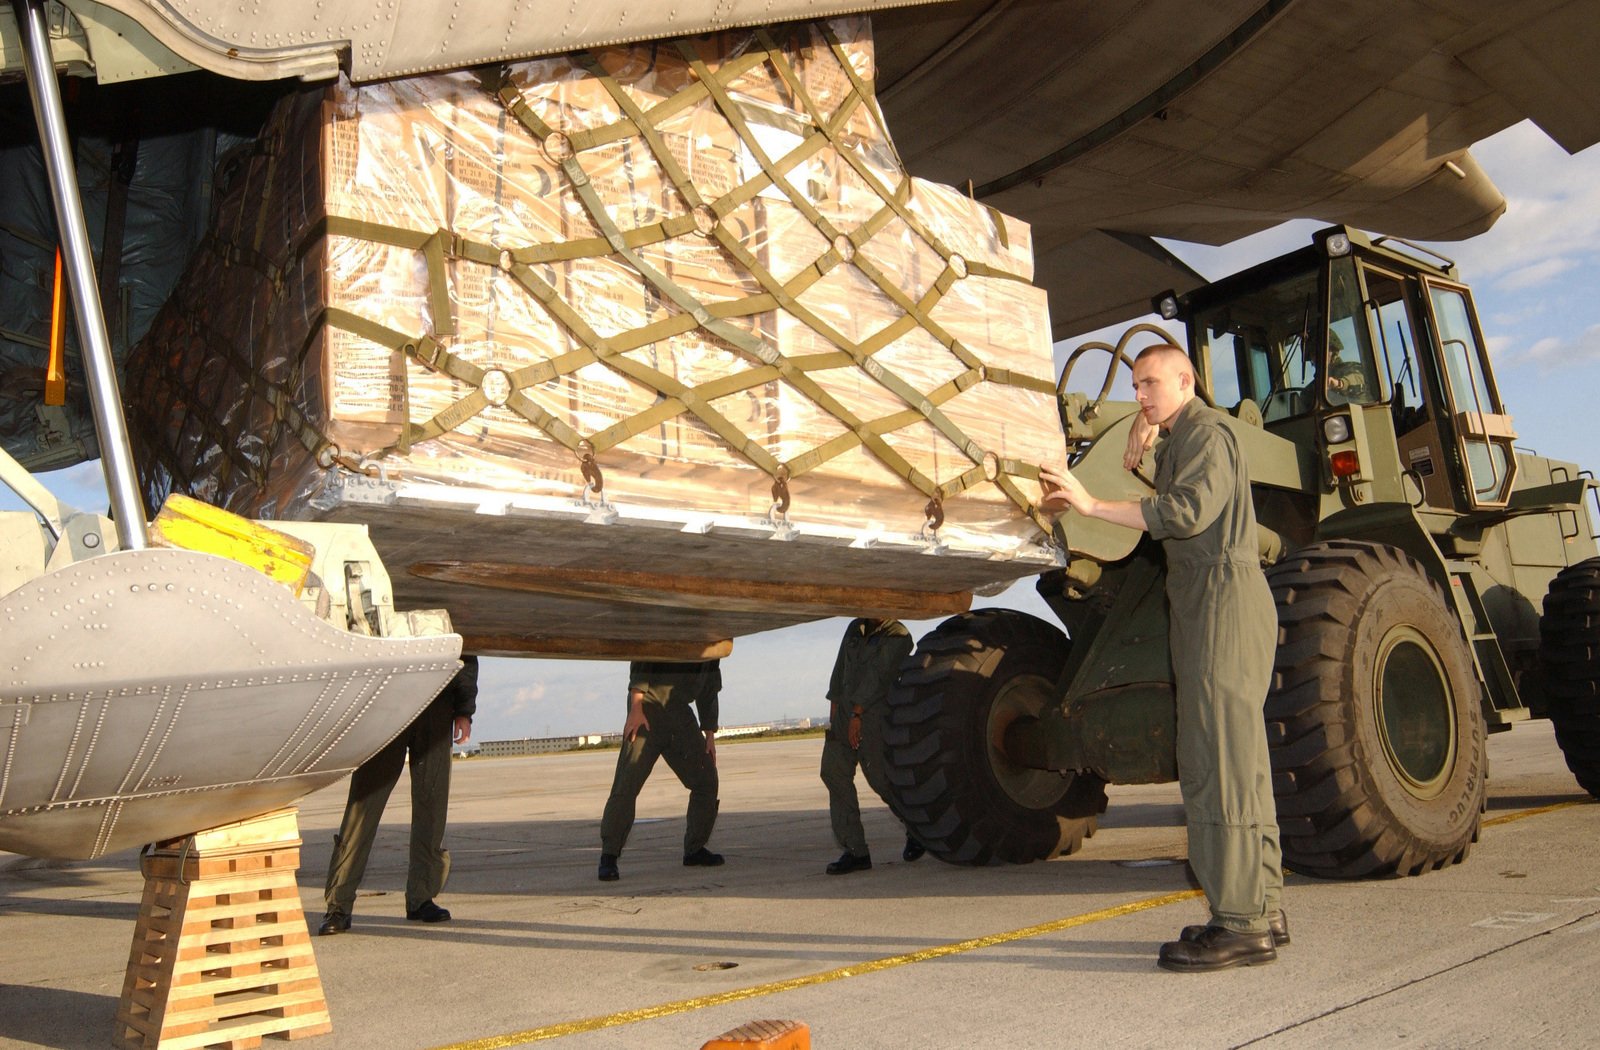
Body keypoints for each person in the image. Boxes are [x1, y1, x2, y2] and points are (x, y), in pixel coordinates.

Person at [1039, 343, 1285, 973]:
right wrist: (1148, 450)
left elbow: (1185, 512)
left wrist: (1090, 504)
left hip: (1219, 603)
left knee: (1217, 761)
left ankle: (1238, 923)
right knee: (1242, 760)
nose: (1140, 395)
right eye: (1135, 385)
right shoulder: (1186, 437)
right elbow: (1186, 499)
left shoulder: (1205, 431)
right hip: (1213, 600)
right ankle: (1262, 906)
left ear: (1186, 381)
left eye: (1150, 384)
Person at [318, 655, 478, 935]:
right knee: (364, 805)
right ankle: (338, 906)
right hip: (387, 702)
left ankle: (421, 898)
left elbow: (466, 648)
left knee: (432, 804)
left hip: (436, 701)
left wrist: (464, 709)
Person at [598, 659, 723, 881]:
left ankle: (694, 849)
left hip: (679, 714)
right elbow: (643, 656)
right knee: (627, 784)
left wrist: (709, 734)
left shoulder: (713, 644)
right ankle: (609, 856)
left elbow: (709, 687)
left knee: (706, 780)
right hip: (647, 710)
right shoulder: (675, 628)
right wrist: (636, 708)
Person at [819, 617, 921, 875]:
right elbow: (840, 669)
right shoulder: (855, 628)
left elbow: (878, 676)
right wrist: (834, 711)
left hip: (871, 715)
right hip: (844, 713)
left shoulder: (898, 635)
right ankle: (855, 851)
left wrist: (857, 715)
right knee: (833, 773)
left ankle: (918, 828)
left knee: (880, 779)